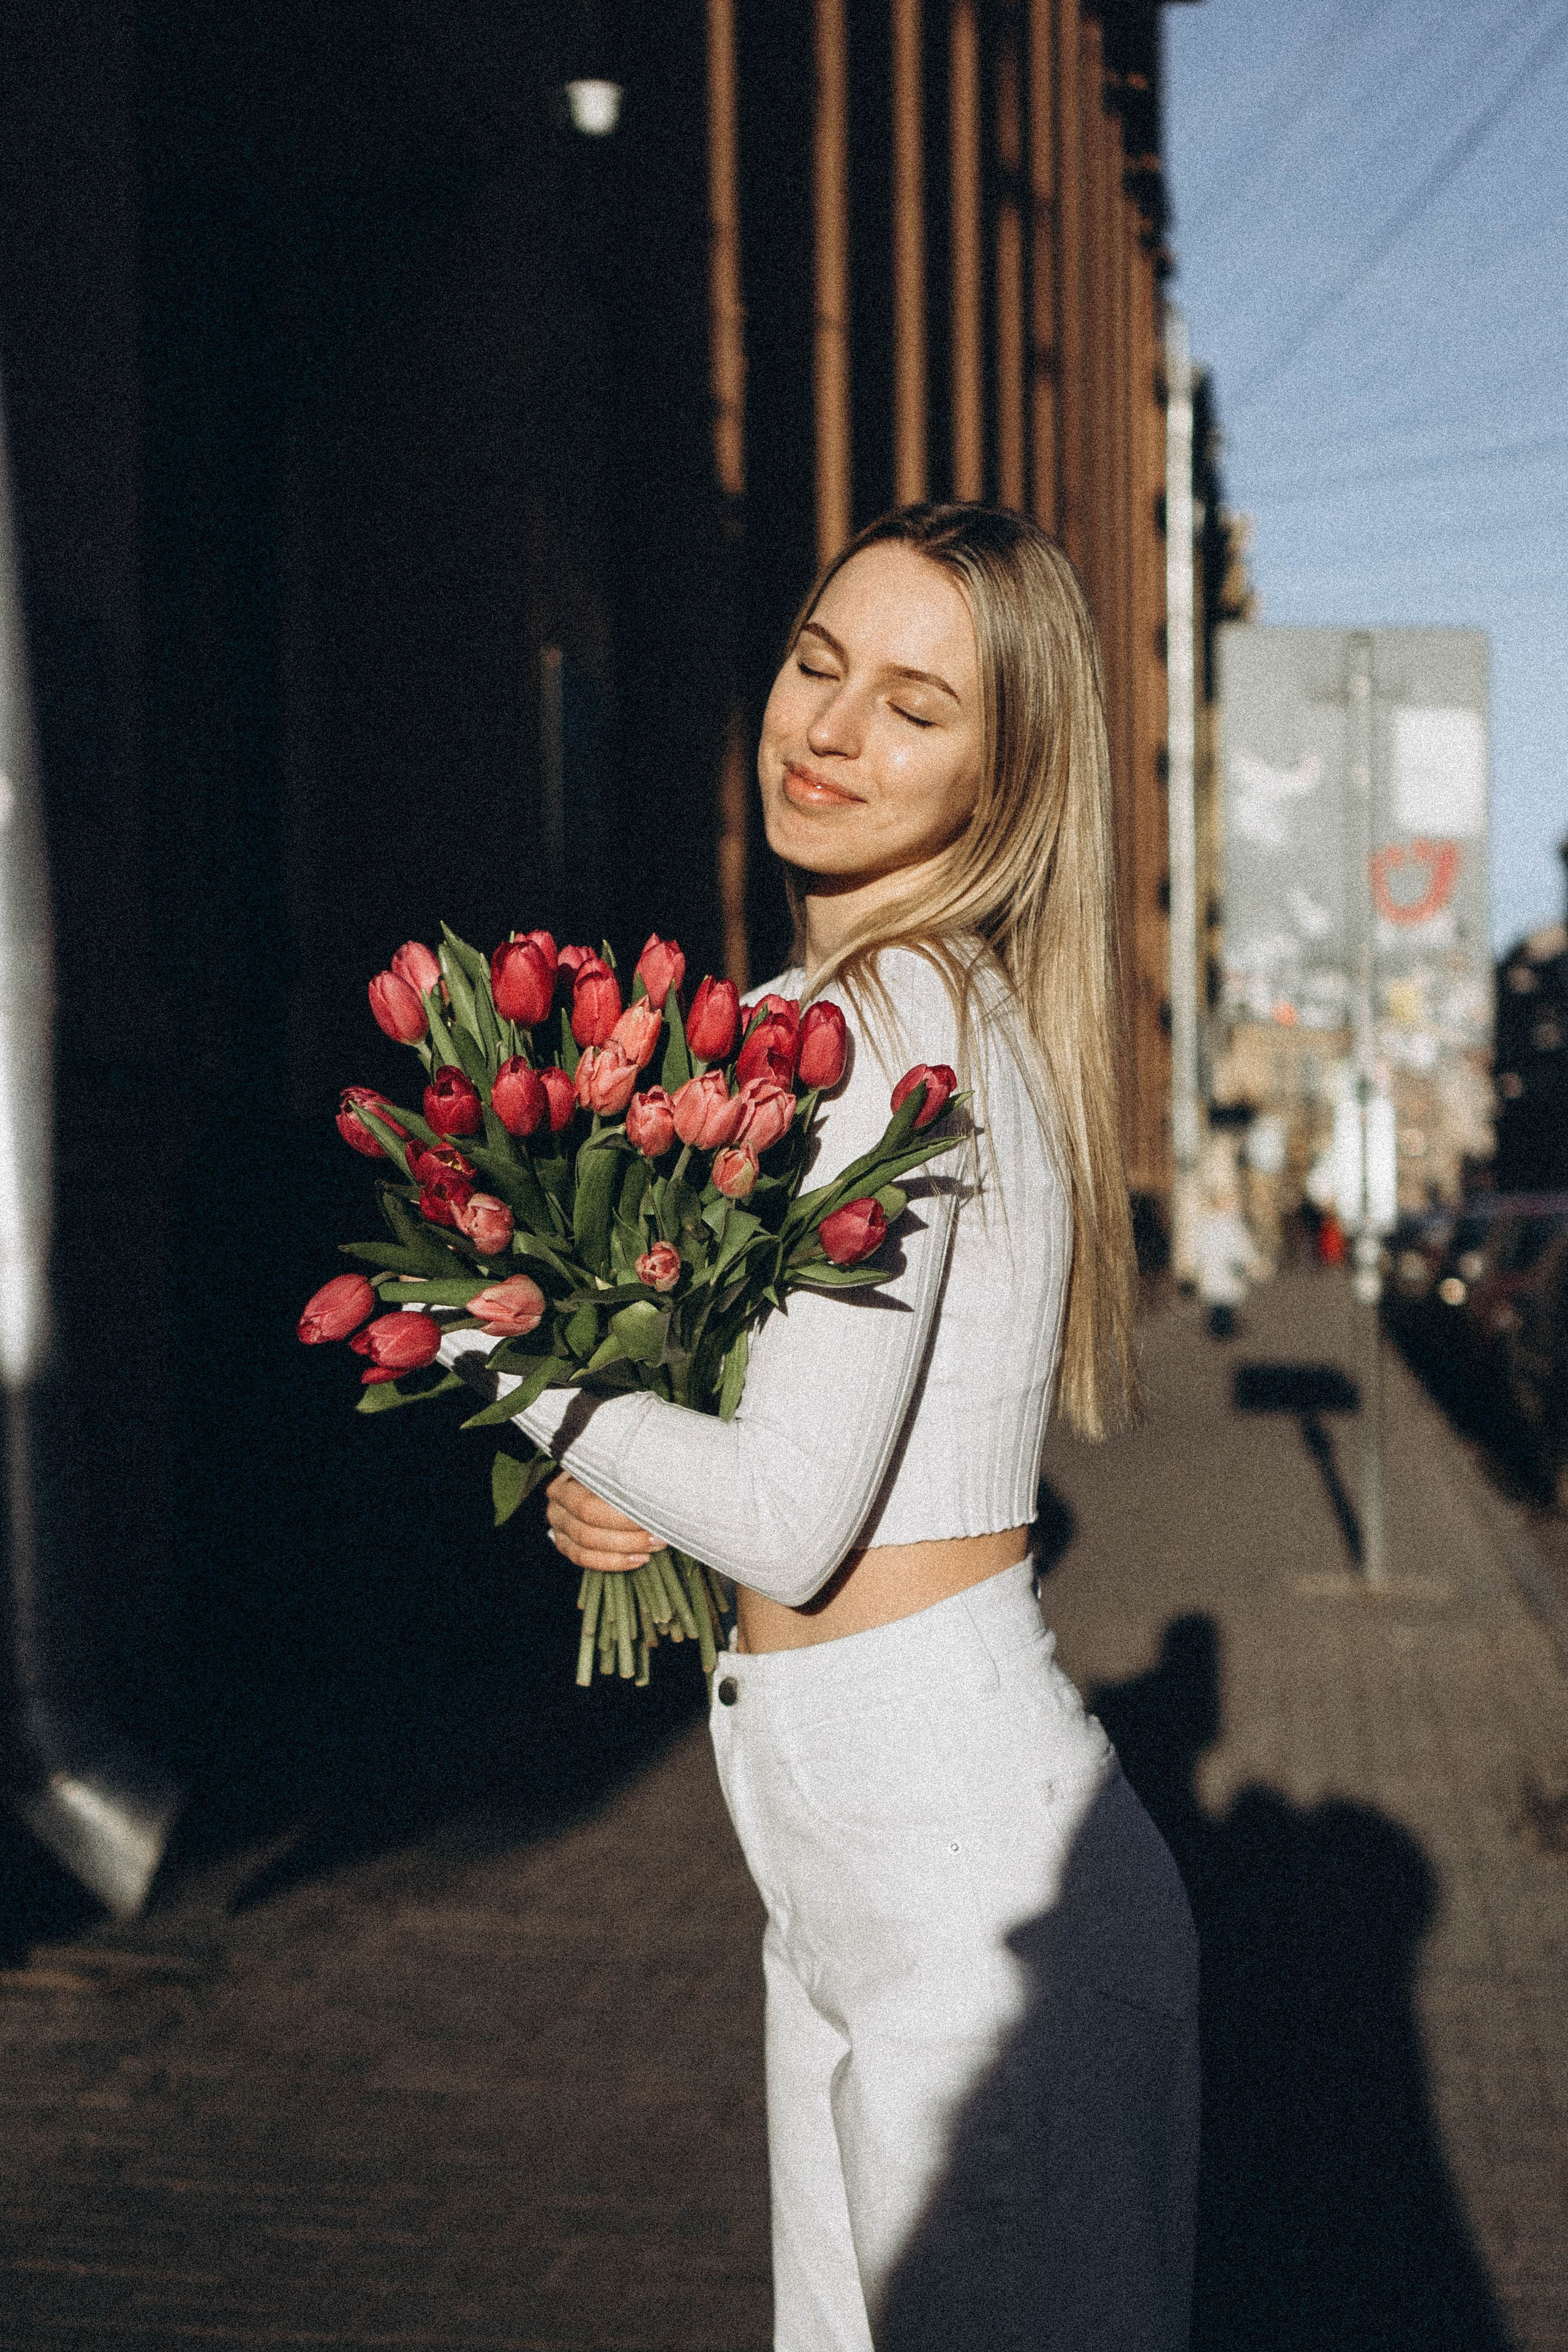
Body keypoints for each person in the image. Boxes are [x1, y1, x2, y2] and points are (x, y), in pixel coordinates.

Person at [450, 506, 1199, 2351]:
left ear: (1006, 774)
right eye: (817, 663)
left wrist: (498, 1338)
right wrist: (629, 1469)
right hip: (854, 1878)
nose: (833, 730)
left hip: (970, 1905)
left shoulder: (892, 1021)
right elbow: (788, 1450)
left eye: (916, 707)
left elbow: (791, 1518)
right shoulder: (805, 1020)